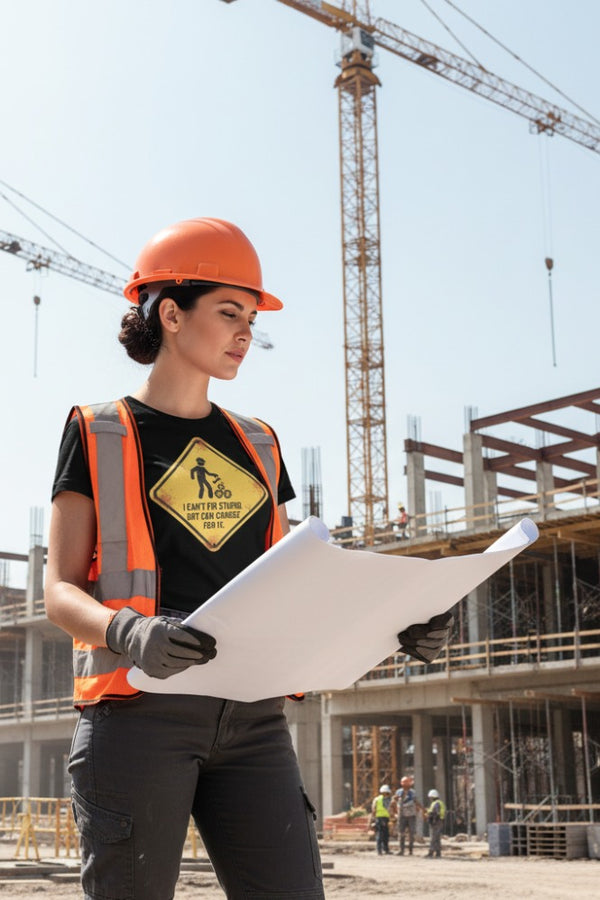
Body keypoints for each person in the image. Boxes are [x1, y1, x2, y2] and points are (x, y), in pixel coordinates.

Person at [44, 216, 454, 899]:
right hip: (140, 716)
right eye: (229, 312)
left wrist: (394, 627)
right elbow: (60, 591)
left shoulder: (259, 443)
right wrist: (130, 631)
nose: (246, 332)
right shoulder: (98, 430)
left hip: (254, 719)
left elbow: (291, 588)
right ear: (170, 313)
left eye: (251, 316)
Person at [392, 775, 422, 855]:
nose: (405, 784)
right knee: (401, 833)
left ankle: (410, 850)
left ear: (410, 783)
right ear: (401, 783)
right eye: (404, 782)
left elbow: (416, 802)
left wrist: (422, 810)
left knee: (411, 833)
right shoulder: (398, 792)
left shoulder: (412, 793)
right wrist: (395, 813)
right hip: (402, 816)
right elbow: (393, 803)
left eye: (407, 782)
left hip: (411, 815)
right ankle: (401, 850)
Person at [371, 784, 393, 855]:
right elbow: (390, 810)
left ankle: (381, 850)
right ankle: (383, 849)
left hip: (380, 818)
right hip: (383, 818)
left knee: (382, 834)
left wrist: (373, 819)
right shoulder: (388, 800)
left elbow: (373, 809)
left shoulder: (376, 799)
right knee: (383, 834)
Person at [426, 788, 446, 858]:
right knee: (437, 838)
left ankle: (431, 852)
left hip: (436, 822)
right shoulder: (440, 803)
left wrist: (433, 819)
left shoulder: (436, 803)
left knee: (433, 838)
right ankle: (438, 853)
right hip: (439, 821)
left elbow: (436, 813)